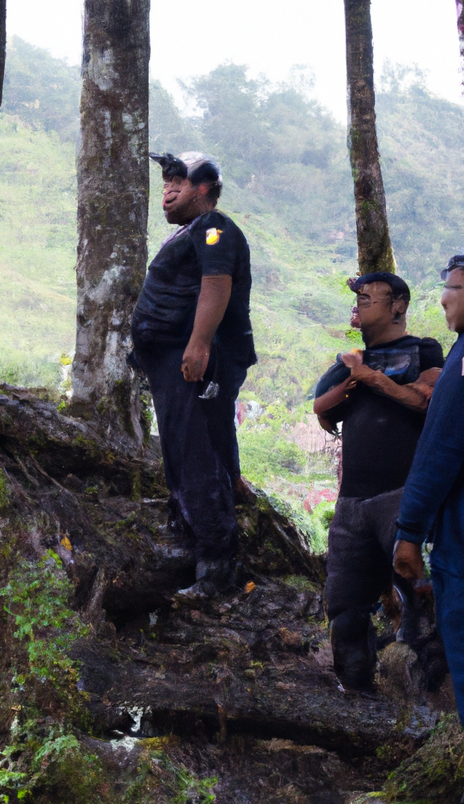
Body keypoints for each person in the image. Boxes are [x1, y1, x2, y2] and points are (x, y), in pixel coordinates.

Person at [394, 254, 464, 804]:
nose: (444, 300)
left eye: (455, 288)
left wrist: (410, 529)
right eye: (443, 290)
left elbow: (441, 452)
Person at [131, 151, 256, 598]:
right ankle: (195, 539)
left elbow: (216, 285)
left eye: (177, 184)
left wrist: (198, 344)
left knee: (193, 454)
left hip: (197, 364)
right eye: (164, 184)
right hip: (177, 363)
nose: (166, 192)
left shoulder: (214, 229)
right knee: (188, 451)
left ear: (203, 188)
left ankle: (216, 567)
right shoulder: (193, 231)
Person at [313, 272, 443, 690]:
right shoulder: (348, 359)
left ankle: (432, 693)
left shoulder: (423, 350)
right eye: (358, 298)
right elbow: (322, 408)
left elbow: (427, 400)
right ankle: (354, 689)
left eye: (369, 297)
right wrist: (353, 376)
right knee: (346, 606)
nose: (359, 303)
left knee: (422, 592)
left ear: (398, 306)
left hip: (403, 493)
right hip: (352, 502)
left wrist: (369, 379)